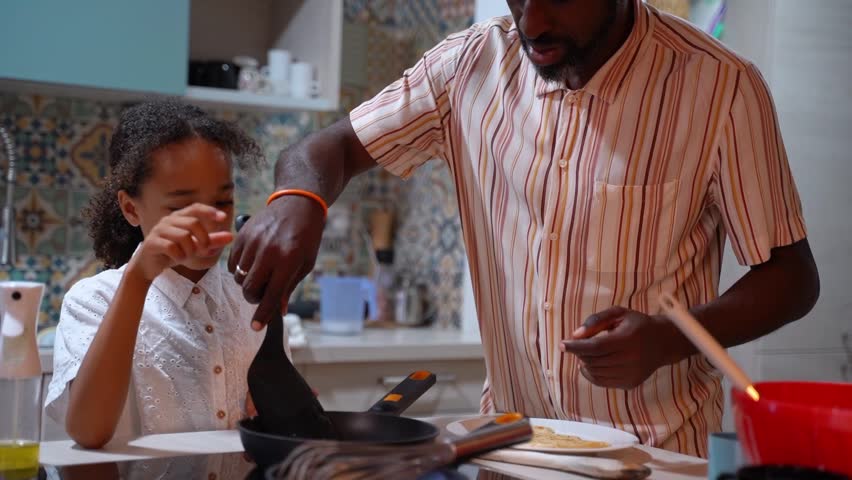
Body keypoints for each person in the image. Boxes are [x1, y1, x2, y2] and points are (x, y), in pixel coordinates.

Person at [229, 0, 819, 457]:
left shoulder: (719, 87)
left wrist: (670, 337)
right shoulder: (469, 66)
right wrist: (297, 198)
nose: (532, 21)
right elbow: (329, 148)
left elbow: (792, 277)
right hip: (513, 451)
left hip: (654, 457)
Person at [45, 100, 286, 449]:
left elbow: (274, 411)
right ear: (131, 208)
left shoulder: (252, 297)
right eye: (182, 208)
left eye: (223, 202)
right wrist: (138, 278)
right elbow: (87, 432)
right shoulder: (92, 301)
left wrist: (285, 407)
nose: (209, 219)